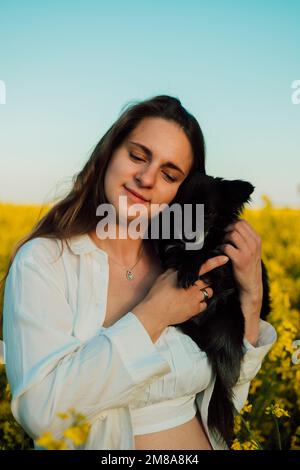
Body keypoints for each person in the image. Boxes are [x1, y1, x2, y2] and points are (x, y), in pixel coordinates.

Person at [1, 95, 277, 450]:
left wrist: (252, 297)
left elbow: (224, 405)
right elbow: (41, 414)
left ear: (183, 191)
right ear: (109, 155)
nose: (146, 178)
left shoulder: (180, 263)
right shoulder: (44, 262)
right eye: (137, 155)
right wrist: (153, 315)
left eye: (169, 173)